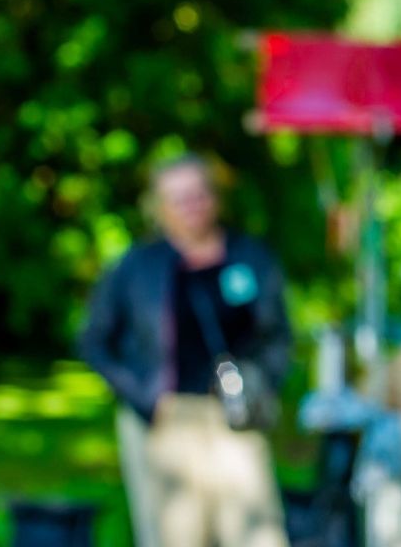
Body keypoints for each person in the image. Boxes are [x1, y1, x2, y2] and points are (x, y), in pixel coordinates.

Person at [80, 153, 293, 547]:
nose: (191, 207)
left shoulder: (249, 256)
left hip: (235, 414)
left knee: (255, 529)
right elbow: (95, 341)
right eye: (178, 199)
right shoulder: (137, 266)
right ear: (160, 208)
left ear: (215, 197)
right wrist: (143, 395)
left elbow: (277, 333)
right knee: (178, 533)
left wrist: (261, 382)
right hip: (168, 416)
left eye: (198, 194)